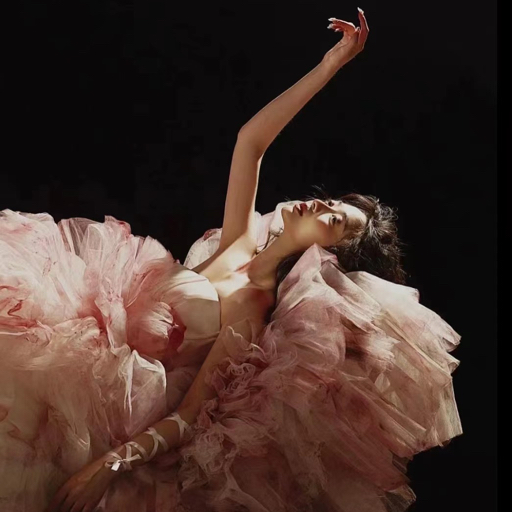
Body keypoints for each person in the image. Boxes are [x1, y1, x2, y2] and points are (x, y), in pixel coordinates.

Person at [0, 10, 461, 512]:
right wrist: (330, 65)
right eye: (332, 201)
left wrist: (108, 466)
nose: (320, 205)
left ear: (327, 256)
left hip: (104, 415)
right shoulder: (238, 243)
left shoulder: (254, 308)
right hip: (71, 356)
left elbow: (188, 416)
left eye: (332, 220)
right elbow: (250, 143)